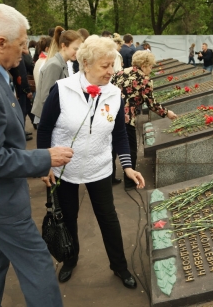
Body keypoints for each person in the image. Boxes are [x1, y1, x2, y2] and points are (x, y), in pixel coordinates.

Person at [37, 35, 145, 288]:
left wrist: (127, 166)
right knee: (69, 217)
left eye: (112, 65)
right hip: (64, 170)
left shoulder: (115, 94)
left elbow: (119, 133)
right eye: (105, 66)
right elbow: (44, 129)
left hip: (100, 167)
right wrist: (44, 164)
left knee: (108, 218)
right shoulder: (62, 89)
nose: (111, 71)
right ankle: (70, 260)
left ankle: (119, 266)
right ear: (86, 64)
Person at [0, 3, 74, 307]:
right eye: (20, 45)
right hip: (5, 205)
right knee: (39, 268)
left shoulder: (5, 74)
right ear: (0, 42)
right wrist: (45, 158)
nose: (25, 52)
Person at [112, 51, 177, 189]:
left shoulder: (120, 73)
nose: (151, 69)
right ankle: (130, 182)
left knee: (111, 148)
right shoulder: (144, 81)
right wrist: (167, 113)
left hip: (110, 115)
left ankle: (110, 178)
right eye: (150, 66)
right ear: (143, 65)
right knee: (131, 149)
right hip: (126, 118)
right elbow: (151, 104)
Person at [32, 26, 83, 125]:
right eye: (75, 48)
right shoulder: (55, 65)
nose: (78, 52)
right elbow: (47, 98)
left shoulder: (62, 63)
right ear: (63, 46)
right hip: (48, 119)